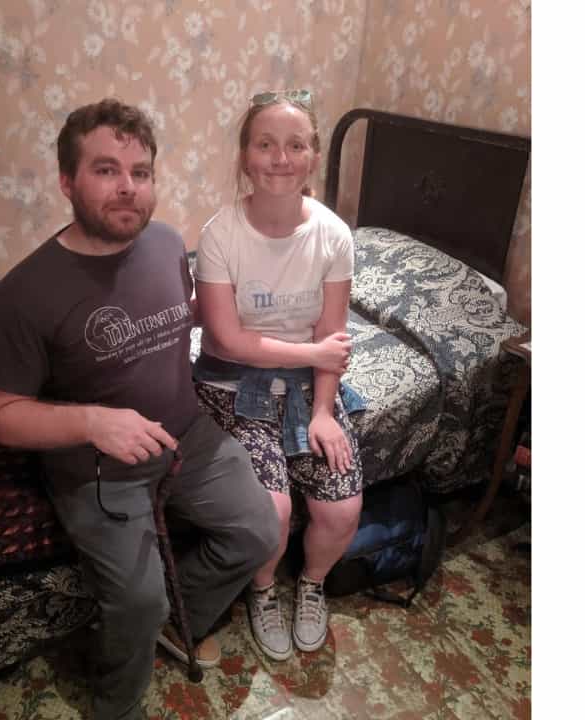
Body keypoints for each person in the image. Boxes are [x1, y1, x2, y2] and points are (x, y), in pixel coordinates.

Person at [0, 98, 278, 720]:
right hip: (96, 466)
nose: (128, 188)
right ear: (67, 181)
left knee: (259, 531)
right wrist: (92, 421)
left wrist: (229, 310)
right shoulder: (23, 294)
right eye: (106, 170)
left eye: (141, 172)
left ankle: (175, 621)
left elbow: (174, 318)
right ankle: (117, 702)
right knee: (138, 602)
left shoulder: (166, 244)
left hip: (186, 435)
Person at [192, 89, 365, 661]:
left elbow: (332, 335)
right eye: (265, 144)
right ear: (245, 156)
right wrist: (312, 354)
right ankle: (263, 590)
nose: (280, 158)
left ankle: (312, 584)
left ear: (313, 156)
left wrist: (323, 411)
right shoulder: (221, 234)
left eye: (295, 145)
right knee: (273, 511)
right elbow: (226, 340)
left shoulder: (333, 235)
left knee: (342, 506)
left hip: (309, 386)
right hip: (231, 384)